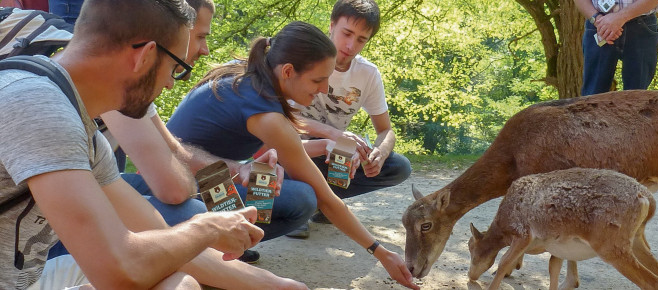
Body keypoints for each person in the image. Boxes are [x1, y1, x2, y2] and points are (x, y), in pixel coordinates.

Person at [0, 0, 305, 288]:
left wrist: (278, 286)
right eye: (176, 69)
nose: (172, 83)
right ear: (145, 55)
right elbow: (121, 270)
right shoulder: (37, 105)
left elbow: (158, 234)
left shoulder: (81, 125)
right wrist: (207, 228)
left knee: (174, 278)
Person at [166, 21, 420, 289]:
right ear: (288, 71)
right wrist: (381, 252)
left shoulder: (248, 77)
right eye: (318, 80)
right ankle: (212, 254)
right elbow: (328, 200)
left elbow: (283, 149)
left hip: (194, 178)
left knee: (273, 182)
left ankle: (222, 249)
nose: (324, 89)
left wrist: (323, 145)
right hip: (181, 190)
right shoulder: (266, 114)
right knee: (301, 199)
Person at [292, 0, 411, 229]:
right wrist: (334, 134)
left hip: (335, 151)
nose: (350, 45)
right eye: (347, 33)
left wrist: (380, 153)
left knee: (399, 167)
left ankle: (324, 203)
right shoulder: (302, 59)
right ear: (332, 25)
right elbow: (279, 119)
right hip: (298, 147)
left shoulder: (367, 74)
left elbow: (386, 130)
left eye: (361, 39)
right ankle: (298, 206)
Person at [575, 0, 658, 96]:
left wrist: (620, 17)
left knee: (637, 98)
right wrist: (598, 20)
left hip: (642, 26)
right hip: (599, 25)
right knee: (592, 96)